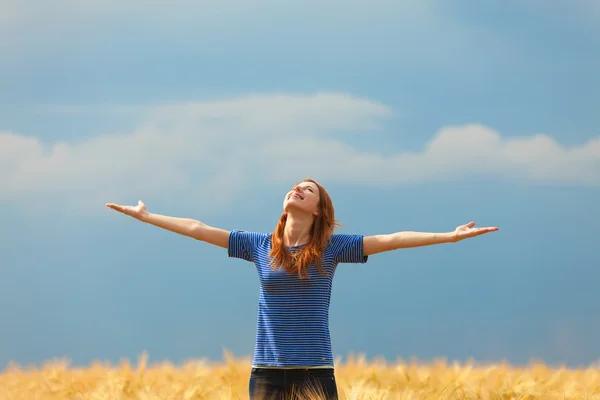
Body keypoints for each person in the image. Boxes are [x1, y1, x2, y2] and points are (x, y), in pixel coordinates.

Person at [106, 178, 498, 399]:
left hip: (315, 371)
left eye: (308, 190)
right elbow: (199, 228)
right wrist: (147, 217)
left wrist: (449, 236)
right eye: (295, 186)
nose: (298, 189)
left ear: (317, 209)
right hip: (266, 373)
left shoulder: (332, 248)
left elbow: (391, 239)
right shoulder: (259, 246)